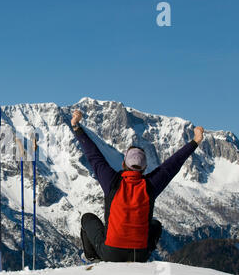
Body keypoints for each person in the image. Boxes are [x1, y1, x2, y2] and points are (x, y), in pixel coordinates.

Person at [71, 109, 204, 263]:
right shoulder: (150, 186)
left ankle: (92, 258)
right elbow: (173, 164)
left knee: (88, 218)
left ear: (123, 163)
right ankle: (141, 254)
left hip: (111, 253)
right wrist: (195, 141)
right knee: (155, 225)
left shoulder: (111, 181)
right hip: (139, 254)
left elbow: (93, 155)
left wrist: (76, 127)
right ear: (145, 167)